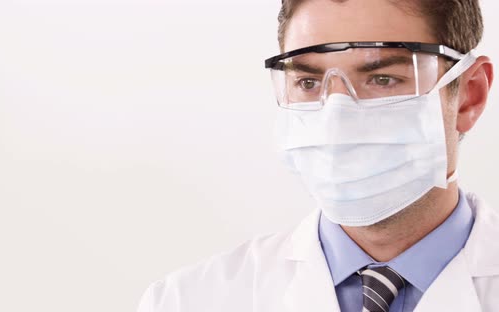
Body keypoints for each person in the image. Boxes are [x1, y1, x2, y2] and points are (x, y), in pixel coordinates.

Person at [137, 0, 498, 311]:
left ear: (469, 95)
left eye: (383, 79)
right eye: (308, 83)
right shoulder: (189, 300)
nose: (336, 117)